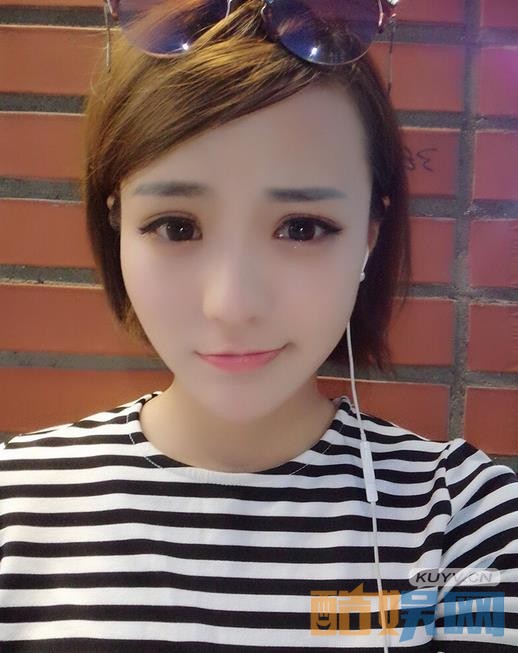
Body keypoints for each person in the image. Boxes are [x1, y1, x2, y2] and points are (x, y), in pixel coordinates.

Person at [1, 1, 516, 651]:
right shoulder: (14, 509)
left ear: (369, 234)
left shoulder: (463, 521)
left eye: (301, 228)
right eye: (176, 226)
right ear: (117, 225)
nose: (232, 304)